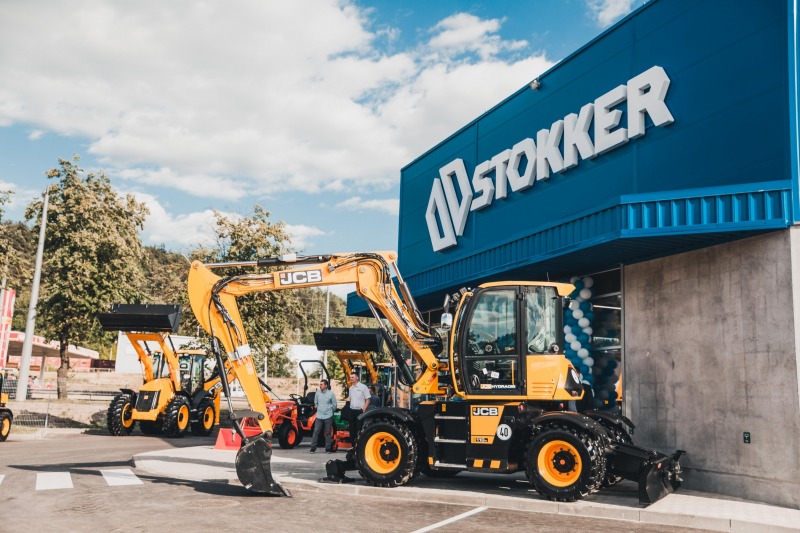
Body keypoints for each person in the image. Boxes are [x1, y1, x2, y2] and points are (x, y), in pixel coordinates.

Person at [309, 379, 337, 454]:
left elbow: (334, 405)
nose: (320, 386)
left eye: (321, 384)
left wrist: (329, 410)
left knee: (328, 432)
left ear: (326, 385)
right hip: (319, 416)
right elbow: (316, 402)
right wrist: (319, 409)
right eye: (320, 384)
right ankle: (312, 448)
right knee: (316, 431)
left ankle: (328, 449)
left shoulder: (331, 394)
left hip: (328, 416)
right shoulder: (317, 393)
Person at [344, 372, 370, 441]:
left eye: (352, 377)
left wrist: (364, 408)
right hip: (351, 411)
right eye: (350, 377)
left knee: (359, 430)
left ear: (357, 378)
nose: (351, 378)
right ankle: (353, 445)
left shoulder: (363, 387)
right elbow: (350, 399)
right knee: (352, 430)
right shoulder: (350, 388)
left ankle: (358, 444)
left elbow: (368, 399)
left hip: (359, 411)